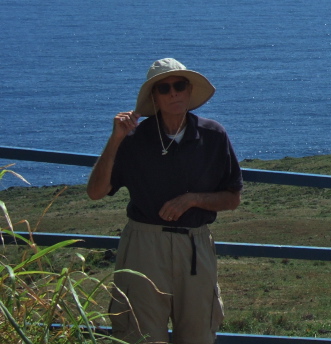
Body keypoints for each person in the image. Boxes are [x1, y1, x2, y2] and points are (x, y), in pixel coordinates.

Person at [87, 58, 243, 344]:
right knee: (140, 334)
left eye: (179, 85)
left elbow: (232, 197)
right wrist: (115, 140)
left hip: (194, 245)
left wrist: (193, 200)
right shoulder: (133, 139)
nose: (173, 93)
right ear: (154, 98)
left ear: (188, 91)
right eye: (164, 88)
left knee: (198, 334)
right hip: (144, 246)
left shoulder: (213, 136)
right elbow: (96, 191)